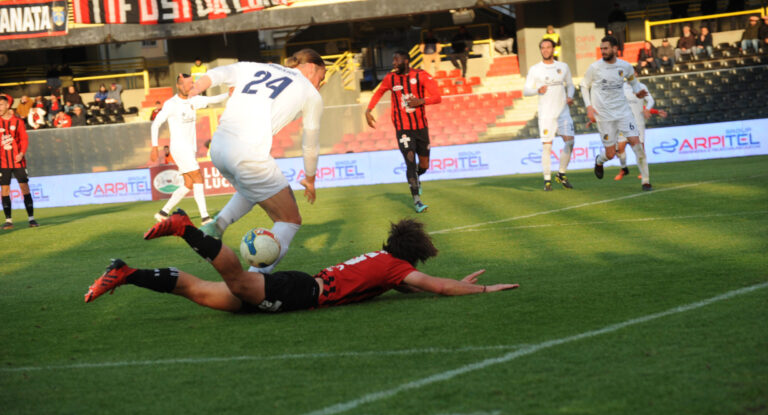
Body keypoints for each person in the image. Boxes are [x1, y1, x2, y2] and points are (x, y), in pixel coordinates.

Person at [84, 215, 518, 311]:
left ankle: (126, 273)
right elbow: (434, 286)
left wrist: (451, 280)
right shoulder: (396, 269)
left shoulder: (388, 266)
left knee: (198, 292)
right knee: (236, 282)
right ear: (413, 255)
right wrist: (480, 288)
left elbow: (415, 285)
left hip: (302, 285)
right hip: (300, 291)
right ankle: (186, 230)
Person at [188, 49, 325, 275]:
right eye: (322, 76)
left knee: (252, 188)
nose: (321, 83)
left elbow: (221, 73)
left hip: (219, 148)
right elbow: (310, 143)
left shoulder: (257, 66)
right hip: (248, 153)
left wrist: (196, 87)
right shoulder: (311, 93)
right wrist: (310, 178)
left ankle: (216, 225)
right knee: (290, 220)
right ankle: (255, 280)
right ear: (311, 66)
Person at [365, 50, 442, 212]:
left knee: (424, 165)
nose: (393, 63)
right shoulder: (391, 78)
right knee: (409, 162)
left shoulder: (421, 75)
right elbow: (379, 92)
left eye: (396, 60)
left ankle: (418, 178)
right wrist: (369, 110)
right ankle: (417, 201)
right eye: (393, 60)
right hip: (402, 128)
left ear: (406, 61)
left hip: (421, 127)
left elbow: (437, 97)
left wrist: (420, 101)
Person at [150, 73, 228, 223]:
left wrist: (229, 93)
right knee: (198, 177)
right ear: (179, 86)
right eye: (188, 84)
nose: (191, 86)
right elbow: (156, 124)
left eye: (192, 83)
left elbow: (213, 99)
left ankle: (163, 213)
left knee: (189, 184)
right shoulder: (171, 104)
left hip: (190, 148)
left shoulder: (194, 100)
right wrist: (155, 147)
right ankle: (205, 217)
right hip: (179, 148)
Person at [580, 36, 652, 191]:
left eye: (606, 48)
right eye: (601, 49)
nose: (603, 51)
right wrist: (589, 107)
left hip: (624, 114)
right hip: (604, 117)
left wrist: (638, 92)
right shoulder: (595, 67)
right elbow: (584, 86)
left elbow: (634, 84)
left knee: (637, 145)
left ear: (614, 49)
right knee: (611, 154)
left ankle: (646, 181)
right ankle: (599, 161)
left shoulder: (625, 67)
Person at [523, 38, 576, 191]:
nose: (545, 50)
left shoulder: (563, 67)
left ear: (553, 49)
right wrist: (536, 90)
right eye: (543, 47)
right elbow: (526, 91)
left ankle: (561, 173)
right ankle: (547, 180)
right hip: (546, 114)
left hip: (563, 112)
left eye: (548, 47)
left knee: (570, 142)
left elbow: (570, 85)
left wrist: (570, 96)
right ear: (540, 50)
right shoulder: (535, 69)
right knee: (547, 147)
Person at [614, 79, 668, 181]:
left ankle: (642, 172)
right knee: (620, 149)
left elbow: (641, 107)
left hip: (637, 124)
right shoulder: (620, 88)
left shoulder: (640, 87)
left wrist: (655, 111)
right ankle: (624, 169)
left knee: (640, 150)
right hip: (623, 123)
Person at [0, 95, 37, 229]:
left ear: (7, 105)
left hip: (18, 161)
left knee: (24, 188)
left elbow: (24, 139)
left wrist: (21, 153)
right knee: (4, 190)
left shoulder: (17, 122)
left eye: (1, 105)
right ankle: (9, 220)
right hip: (3, 162)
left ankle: (31, 219)